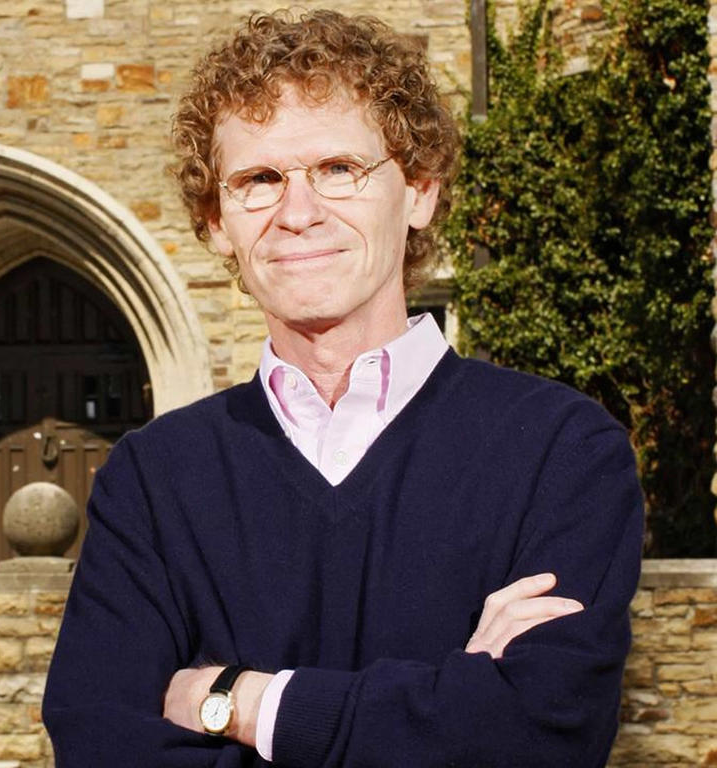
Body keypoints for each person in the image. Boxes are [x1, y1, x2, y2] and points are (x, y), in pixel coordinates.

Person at [42, 10, 643, 767]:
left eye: (339, 170)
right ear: (217, 222)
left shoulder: (561, 452)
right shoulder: (153, 480)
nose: (299, 213)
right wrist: (450, 703)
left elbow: (539, 735)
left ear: (420, 190)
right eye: (259, 180)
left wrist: (236, 700)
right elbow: (101, 747)